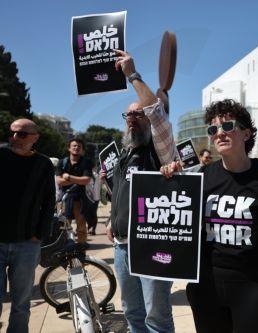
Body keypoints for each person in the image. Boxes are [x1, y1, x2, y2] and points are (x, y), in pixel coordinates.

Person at [163, 99, 258, 333]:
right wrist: (170, 182)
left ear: (246, 134)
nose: (219, 133)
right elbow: (173, 222)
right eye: (213, 129)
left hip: (254, 287)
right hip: (207, 287)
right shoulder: (202, 178)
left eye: (228, 126)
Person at [105, 49, 177, 333]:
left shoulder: (159, 149)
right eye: (128, 114)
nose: (132, 117)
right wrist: (113, 219)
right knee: (132, 313)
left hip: (151, 244)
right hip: (122, 246)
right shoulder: (125, 152)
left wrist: (132, 75)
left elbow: (157, 114)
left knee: (156, 318)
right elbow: (122, 192)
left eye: (138, 114)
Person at [0, 119, 55, 333]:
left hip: (27, 243)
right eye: (11, 133)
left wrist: (40, 234)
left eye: (21, 134)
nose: (15, 138)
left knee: (21, 303)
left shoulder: (43, 164)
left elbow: (49, 201)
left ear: (35, 137)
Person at [55, 138, 93, 245]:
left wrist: (68, 177)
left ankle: (81, 252)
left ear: (82, 149)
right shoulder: (62, 162)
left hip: (80, 199)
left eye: (79, 146)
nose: (76, 148)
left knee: (81, 227)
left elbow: (86, 180)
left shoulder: (86, 162)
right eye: (74, 146)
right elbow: (59, 181)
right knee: (63, 227)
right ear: (69, 148)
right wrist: (78, 180)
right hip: (63, 200)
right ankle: (64, 251)